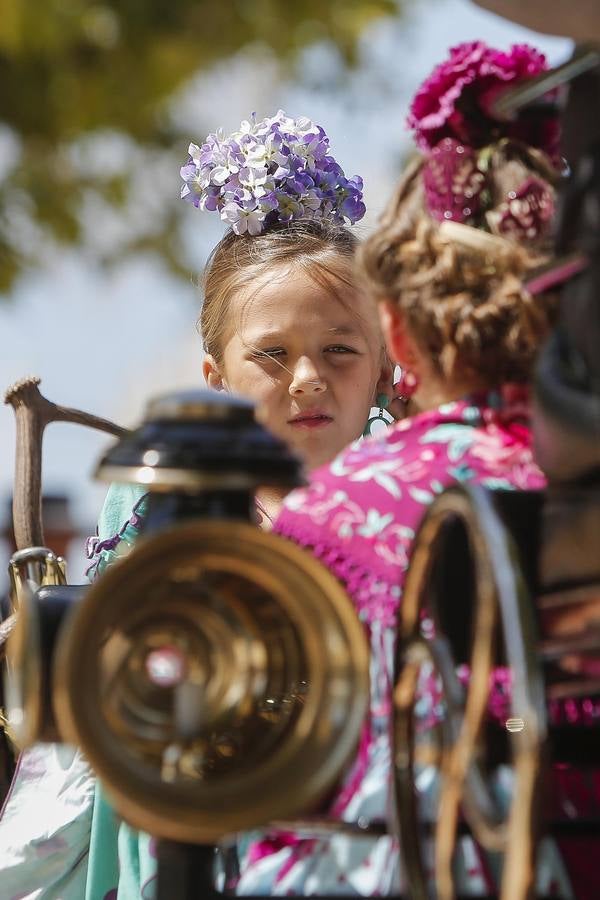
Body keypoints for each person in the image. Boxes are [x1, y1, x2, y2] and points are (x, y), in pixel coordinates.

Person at [0, 110, 394, 899]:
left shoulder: (407, 501)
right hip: (190, 829)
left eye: (340, 351)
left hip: (363, 826)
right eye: (273, 356)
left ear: (387, 362)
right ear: (215, 373)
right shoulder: (151, 501)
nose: (309, 378)